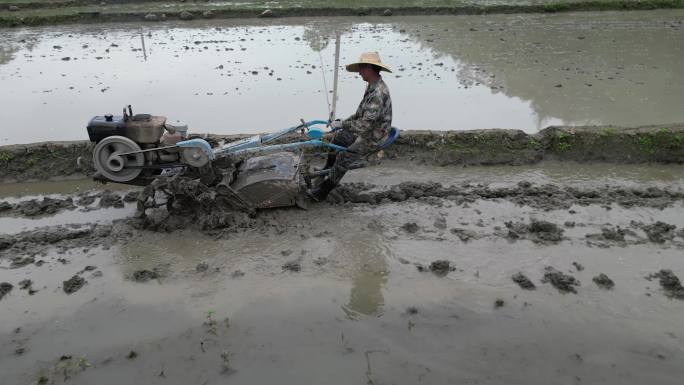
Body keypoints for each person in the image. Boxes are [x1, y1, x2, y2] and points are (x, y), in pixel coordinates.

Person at [310, 51, 393, 201]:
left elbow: (362, 126)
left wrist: (343, 124)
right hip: (369, 130)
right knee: (338, 137)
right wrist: (341, 124)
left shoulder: (378, 94)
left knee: (344, 157)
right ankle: (325, 172)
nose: (359, 72)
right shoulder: (372, 86)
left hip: (374, 136)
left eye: (361, 68)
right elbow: (358, 115)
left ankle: (321, 192)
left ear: (369, 68)